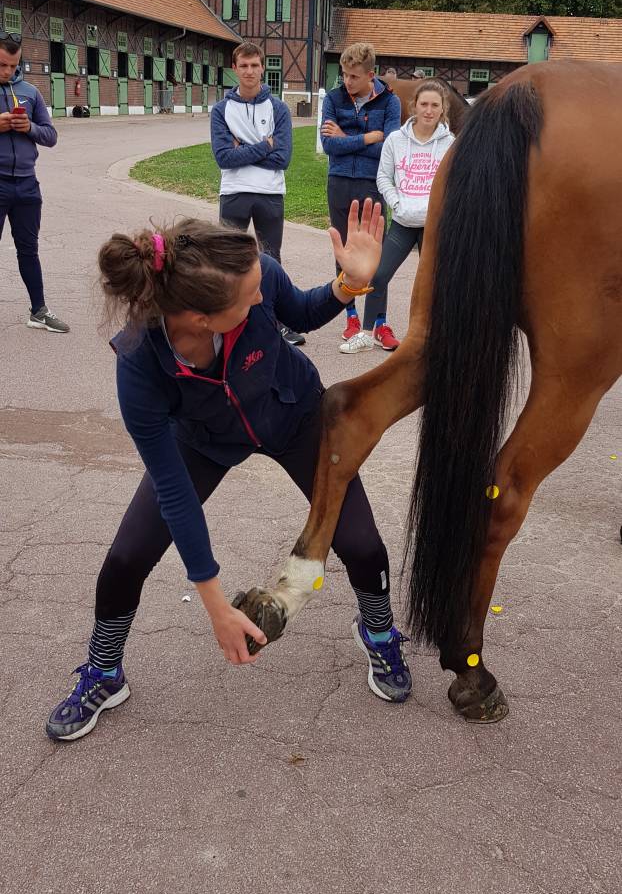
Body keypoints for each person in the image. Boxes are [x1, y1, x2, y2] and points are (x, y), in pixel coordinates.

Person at [45, 204, 412, 741]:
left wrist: (347, 284)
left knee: (363, 544)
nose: (261, 297)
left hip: (295, 414)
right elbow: (174, 492)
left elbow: (302, 313)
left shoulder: (251, 267)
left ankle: (377, 630)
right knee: (126, 557)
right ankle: (104, 669)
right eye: (250, 299)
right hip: (205, 441)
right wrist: (215, 606)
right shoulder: (140, 364)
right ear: (201, 318)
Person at [340, 80, 454, 354]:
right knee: (377, 276)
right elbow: (383, 177)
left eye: (434, 106)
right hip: (402, 221)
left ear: (442, 110)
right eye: (424, 104)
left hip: (434, 225)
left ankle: (438, 338)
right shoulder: (396, 140)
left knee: (439, 282)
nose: (428, 110)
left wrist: (439, 209)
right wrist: (396, 203)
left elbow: (456, 182)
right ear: (414, 106)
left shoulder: (451, 143)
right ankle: (367, 333)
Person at [210, 41, 304, 347]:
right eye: (244, 66)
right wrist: (265, 146)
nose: (249, 71)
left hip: (270, 193)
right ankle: (227, 322)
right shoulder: (221, 110)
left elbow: (284, 158)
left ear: (262, 68)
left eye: (255, 65)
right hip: (234, 191)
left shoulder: (278, 108)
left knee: (270, 260)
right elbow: (224, 157)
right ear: (234, 69)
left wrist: (244, 149)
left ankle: (276, 322)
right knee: (228, 260)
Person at [320, 42, 401, 350]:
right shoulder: (333, 98)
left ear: (371, 75)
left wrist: (346, 138)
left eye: (354, 77)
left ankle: (379, 322)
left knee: (376, 256)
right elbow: (329, 146)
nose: (347, 82)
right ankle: (351, 317)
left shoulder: (390, 102)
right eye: (344, 75)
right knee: (344, 250)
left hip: (373, 183)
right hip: (339, 181)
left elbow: (389, 149)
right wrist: (367, 137)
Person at [0, 32, 69, 332]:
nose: (7, 71)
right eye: (2, 64)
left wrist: (28, 127)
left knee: (29, 249)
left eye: (13, 66)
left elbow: (51, 136)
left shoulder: (30, 92)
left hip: (27, 185)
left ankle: (38, 311)